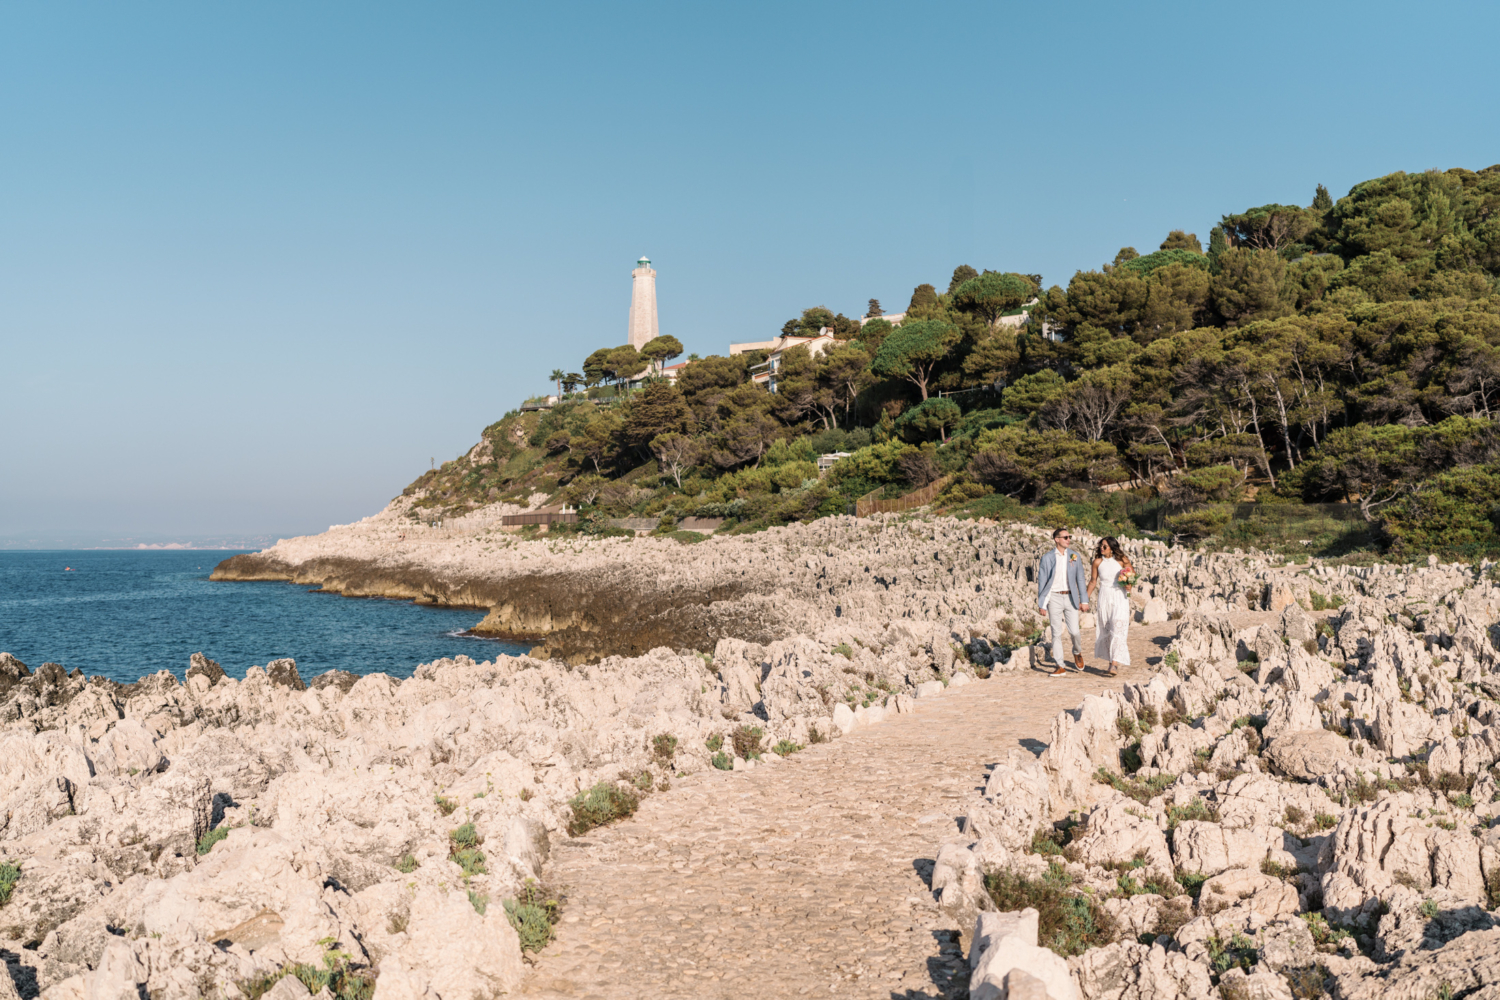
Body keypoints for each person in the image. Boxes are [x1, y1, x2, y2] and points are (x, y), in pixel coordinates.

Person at [1035, 527, 1090, 677]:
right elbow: (1042, 581)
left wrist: (1084, 600)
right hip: (1054, 597)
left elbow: (1080, 579)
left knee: (1075, 632)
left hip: (1071, 597)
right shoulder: (1047, 558)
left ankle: (1077, 652)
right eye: (1065, 537)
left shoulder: (1074, 556)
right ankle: (1060, 665)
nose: (1068, 539)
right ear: (1056, 539)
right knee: (1056, 632)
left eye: (1069, 537)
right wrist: (1042, 603)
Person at [1089, 536, 1135, 677]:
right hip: (1104, 596)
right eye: (1101, 546)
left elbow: (1131, 576)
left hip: (1119, 596)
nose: (1102, 548)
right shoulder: (1097, 562)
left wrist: (1129, 585)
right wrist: (1084, 599)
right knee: (1107, 628)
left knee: (1117, 626)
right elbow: (1093, 581)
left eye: (1105, 546)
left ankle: (1114, 663)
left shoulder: (1122, 560)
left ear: (1112, 548)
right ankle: (1110, 661)